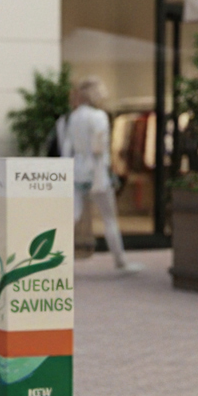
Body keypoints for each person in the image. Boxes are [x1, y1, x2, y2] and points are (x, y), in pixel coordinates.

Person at [62, 77, 141, 273]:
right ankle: (120, 260)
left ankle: (59, 260)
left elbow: (68, 147)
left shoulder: (74, 116)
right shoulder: (98, 117)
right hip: (96, 172)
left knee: (71, 217)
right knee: (109, 218)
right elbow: (99, 148)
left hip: (77, 170)